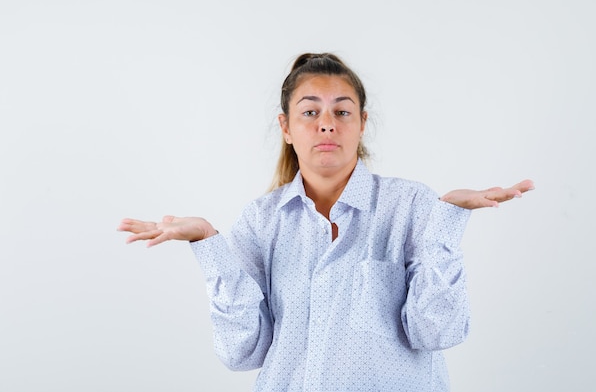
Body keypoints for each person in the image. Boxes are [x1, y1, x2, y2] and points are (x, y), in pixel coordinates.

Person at [118, 53, 534, 392]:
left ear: (362, 124)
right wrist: (209, 245)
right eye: (310, 111)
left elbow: (437, 333)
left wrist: (448, 221)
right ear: (285, 127)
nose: (326, 123)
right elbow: (242, 352)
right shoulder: (261, 221)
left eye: (342, 111)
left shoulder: (411, 205)